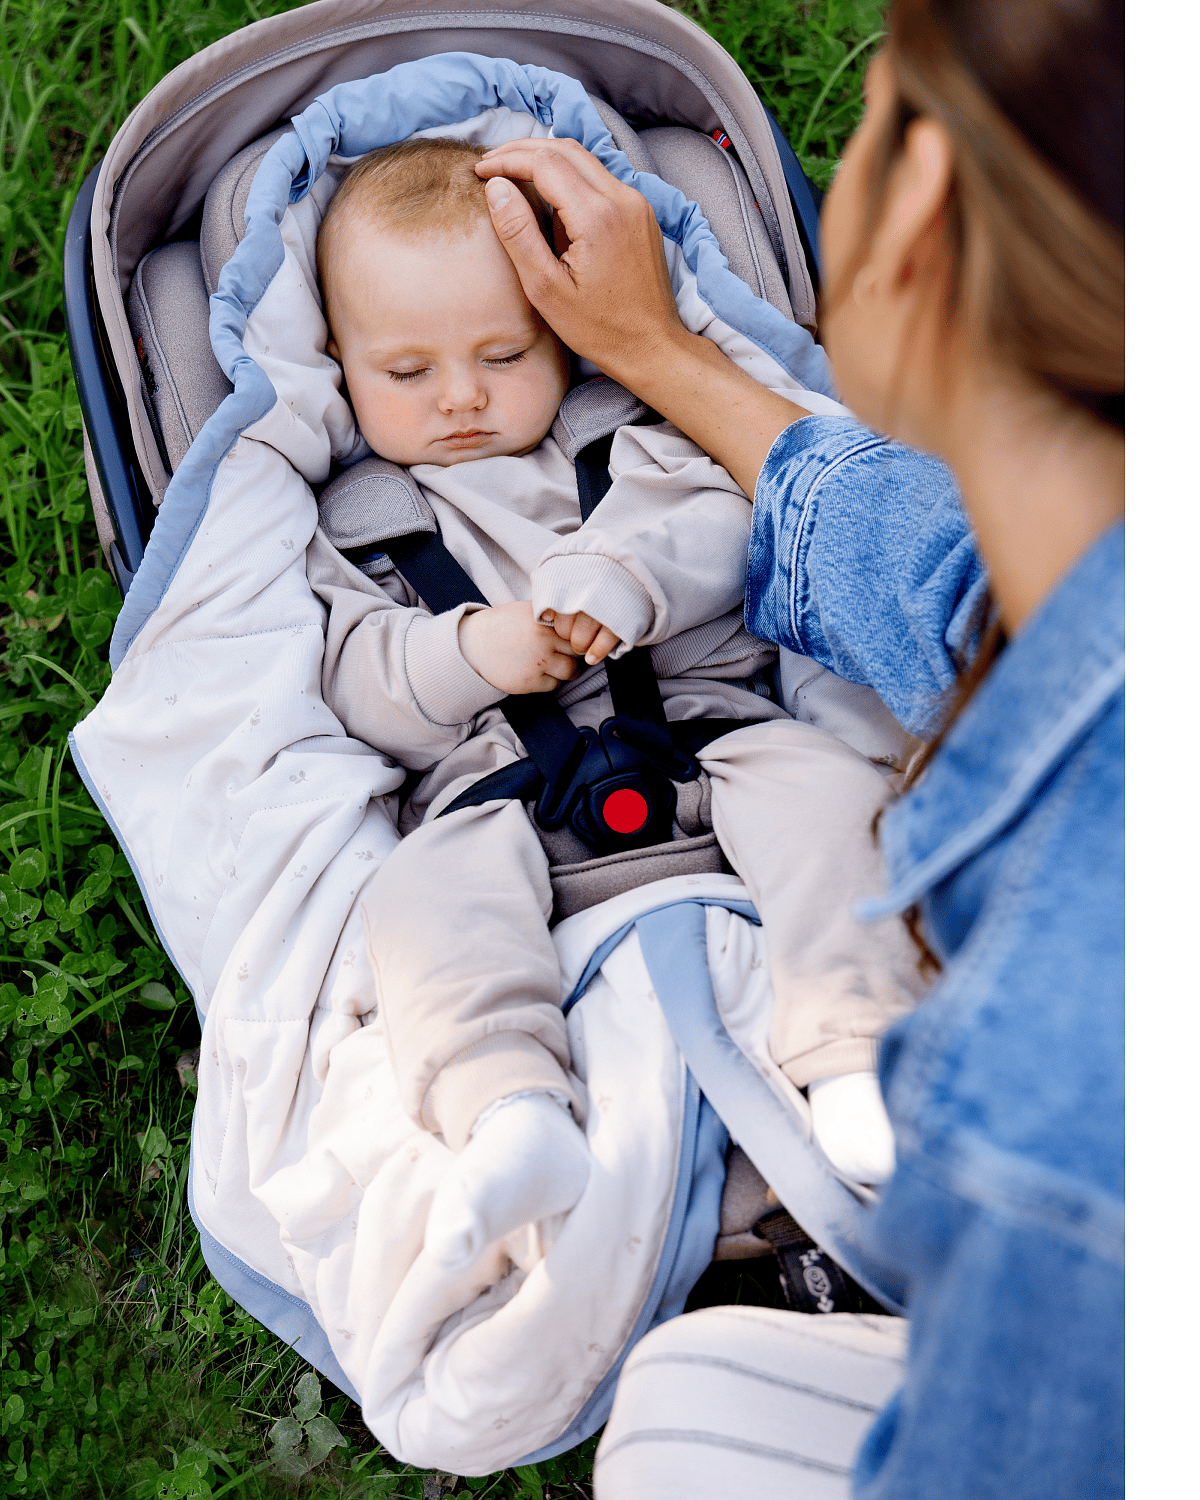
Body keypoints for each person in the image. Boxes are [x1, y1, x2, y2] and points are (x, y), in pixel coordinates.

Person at [473, 0, 1124, 1493]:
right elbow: (967, 590)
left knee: (682, 1419)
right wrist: (657, 348)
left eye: (867, 133)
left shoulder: (1058, 1112)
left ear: (919, 214)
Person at [310, 138, 928, 1272]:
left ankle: (851, 1053)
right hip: (500, 801)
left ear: (563, 333)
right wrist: (467, 653)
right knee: (415, 898)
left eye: (504, 353)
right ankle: (506, 1110)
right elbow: (358, 685)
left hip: (706, 747)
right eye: (405, 373)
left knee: (834, 793)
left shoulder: (617, 437)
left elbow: (728, 522)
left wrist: (628, 577)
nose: (460, 397)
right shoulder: (357, 524)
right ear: (337, 364)